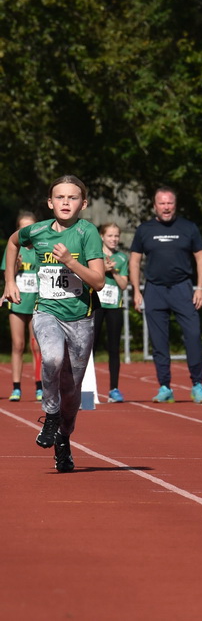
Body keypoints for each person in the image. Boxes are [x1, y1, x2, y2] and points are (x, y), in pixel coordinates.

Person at [3, 175, 105, 473]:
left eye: (72, 197)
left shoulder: (87, 233)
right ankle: (50, 415)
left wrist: (71, 262)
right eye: (60, 197)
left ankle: (63, 438)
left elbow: (99, 281)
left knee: (71, 393)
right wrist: (9, 281)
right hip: (46, 311)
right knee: (51, 357)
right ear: (50, 203)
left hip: (81, 319)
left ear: (83, 204)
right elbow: (12, 242)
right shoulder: (37, 231)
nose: (65, 202)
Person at [129, 186, 202, 403]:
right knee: (159, 341)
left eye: (170, 203)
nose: (166, 207)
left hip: (182, 288)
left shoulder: (188, 227)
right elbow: (134, 261)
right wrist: (136, 290)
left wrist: (200, 288)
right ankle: (165, 387)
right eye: (162, 203)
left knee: (193, 335)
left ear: (175, 205)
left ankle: (197, 384)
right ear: (155, 206)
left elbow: (201, 257)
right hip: (154, 289)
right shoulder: (144, 229)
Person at [3, 212, 42, 402]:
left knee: (37, 346)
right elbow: (7, 276)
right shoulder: (13, 248)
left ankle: (40, 387)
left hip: (37, 303)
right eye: (23, 227)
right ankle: (16, 387)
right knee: (18, 345)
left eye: (30, 227)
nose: (27, 231)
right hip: (17, 302)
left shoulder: (41, 248)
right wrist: (16, 266)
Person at [93, 223, 129, 403]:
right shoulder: (94, 255)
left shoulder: (122, 258)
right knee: (90, 346)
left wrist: (113, 271)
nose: (114, 239)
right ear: (102, 236)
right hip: (96, 305)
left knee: (114, 348)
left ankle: (114, 389)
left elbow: (124, 285)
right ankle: (86, 387)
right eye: (110, 236)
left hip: (114, 306)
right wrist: (102, 269)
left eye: (116, 236)